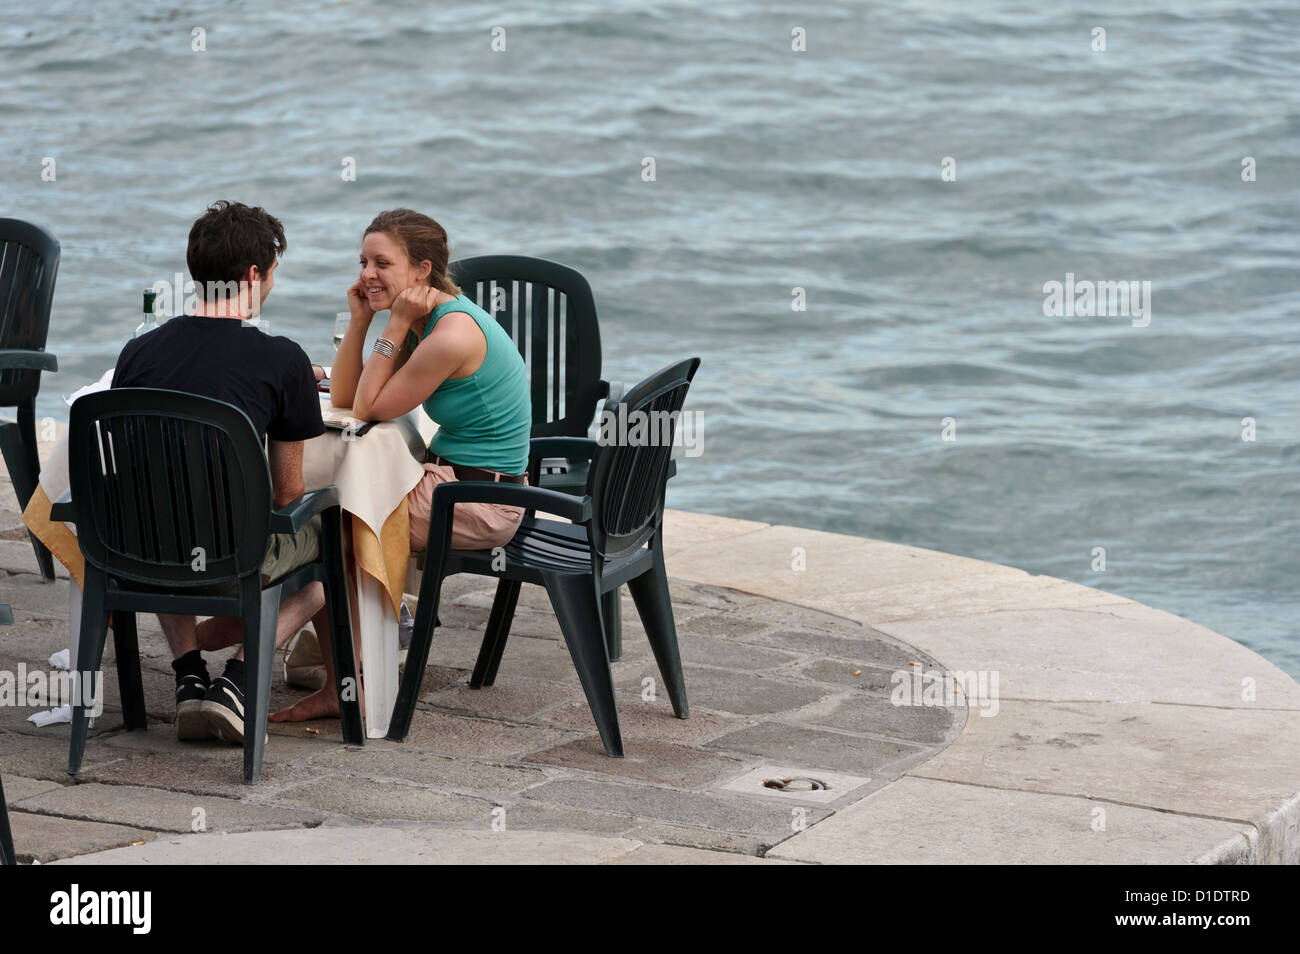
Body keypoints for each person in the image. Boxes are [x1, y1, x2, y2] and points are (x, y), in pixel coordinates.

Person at [110, 200, 335, 742]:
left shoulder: (137, 352)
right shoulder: (282, 359)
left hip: (136, 551)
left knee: (165, 508)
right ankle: (237, 679)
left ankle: (190, 676)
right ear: (254, 274)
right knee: (340, 543)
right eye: (273, 271)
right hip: (232, 557)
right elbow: (288, 494)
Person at [329, 208, 531, 560]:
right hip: (448, 481)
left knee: (335, 521)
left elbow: (366, 408)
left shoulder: (450, 335)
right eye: (364, 262)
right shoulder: (423, 321)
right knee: (336, 499)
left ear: (422, 270)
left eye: (382, 263)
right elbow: (346, 396)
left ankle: (335, 595)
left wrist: (395, 325)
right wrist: (360, 321)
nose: (367, 274)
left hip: (482, 503)